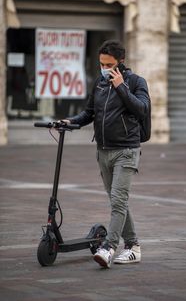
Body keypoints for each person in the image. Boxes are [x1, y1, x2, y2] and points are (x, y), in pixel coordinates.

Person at [62, 40, 150, 268]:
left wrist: (121, 86)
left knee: (118, 202)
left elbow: (142, 109)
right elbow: (89, 113)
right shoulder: (99, 84)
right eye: (101, 64)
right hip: (103, 151)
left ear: (120, 62)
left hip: (126, 151)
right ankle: (133, 247)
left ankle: (109, 247)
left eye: (109, 64)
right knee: (117, 200)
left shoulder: (136, 81)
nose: (104, 69)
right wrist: (70, 122)